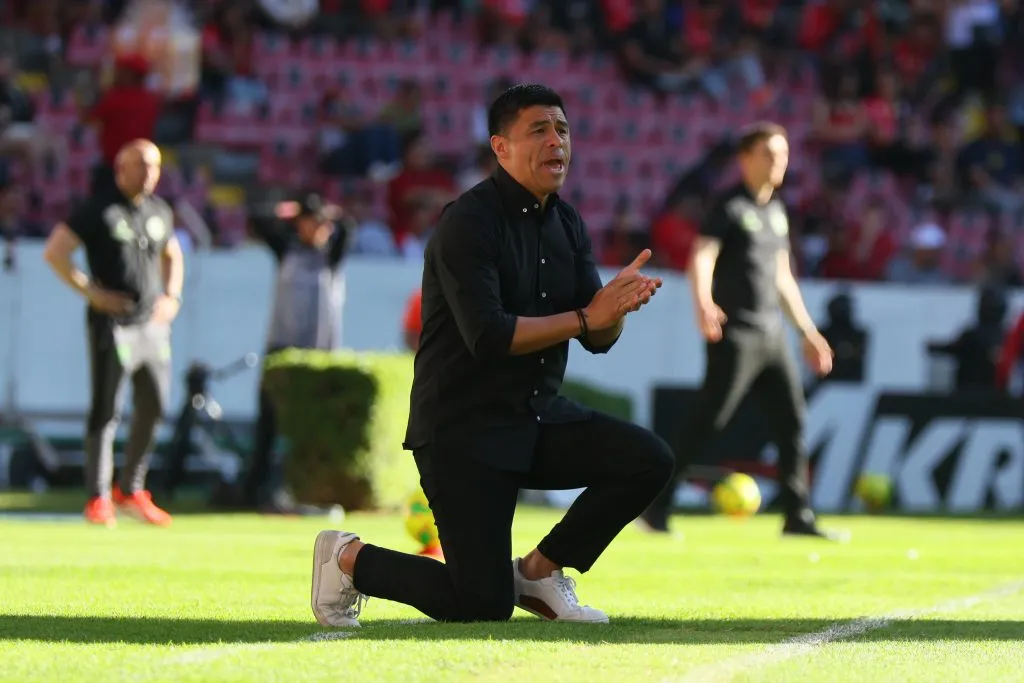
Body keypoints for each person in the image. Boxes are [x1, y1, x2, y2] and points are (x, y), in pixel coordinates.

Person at [310, 83, 672, 627]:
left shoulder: (567, 221)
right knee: (480, 606)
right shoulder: (467, 221)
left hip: (534, 416)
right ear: (500, 148)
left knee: (649, 459)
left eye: (563, 130)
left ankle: (539, 570)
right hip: (464, 429)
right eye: (540, 130)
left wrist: (613, 309)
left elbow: (597, 338)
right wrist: (585, 318)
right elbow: (489, 336)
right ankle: (347, 559)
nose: (557, 142)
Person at [639, 122, 842, 540]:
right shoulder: (729, 206)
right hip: (737, 334)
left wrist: (806, 330)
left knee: (793, 420)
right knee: (708, 421)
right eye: (769, 153)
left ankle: (797, 516)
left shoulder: (776, 211)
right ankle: (656, 507)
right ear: (745, 159)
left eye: (783, 154)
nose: (778, 162)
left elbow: (784, 277)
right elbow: (702, 256)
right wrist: (703, 303)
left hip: (772, 335)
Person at [42, 139, 183, 528]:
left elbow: (173, 254)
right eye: (141, 165)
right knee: (107, 409)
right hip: (114, 325)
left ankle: (131, 488)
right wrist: (91, 292)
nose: (149, 173)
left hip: (151, 326)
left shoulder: (159, 212)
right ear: (121, 169)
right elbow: (56, 252)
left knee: (154, 405)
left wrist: (171, 296)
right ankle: (97, 496)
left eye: (154, 166)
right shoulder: (99, 209)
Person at [239, 191, 354, 513]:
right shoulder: (286, 250)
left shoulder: (332, 255)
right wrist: (289, 210)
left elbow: (349, 226)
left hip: (317, 355)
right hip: (281, 349)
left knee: (308, 428)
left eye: (318, 223)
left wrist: (328, 214)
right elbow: (259, 217)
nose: (314, 228)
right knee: (269, 424)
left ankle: (301, 489)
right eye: (308, 221)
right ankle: (257, 490)